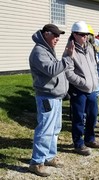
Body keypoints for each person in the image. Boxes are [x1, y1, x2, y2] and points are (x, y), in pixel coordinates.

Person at [28, 24, 74, 177]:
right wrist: (67, 58)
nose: (57, 39)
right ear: (46, 34)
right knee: (45, 130)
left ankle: (49, 157)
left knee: (54, 130)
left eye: (59, 36)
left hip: (55, 97)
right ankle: (36, 162)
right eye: (54, 35)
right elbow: (52, 70)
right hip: (47, 97)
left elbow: (55, 69)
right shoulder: (39, 51)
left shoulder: (47, 49)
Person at [64, 21, 99, 156]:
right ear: (74, 34)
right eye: (82, 34)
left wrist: (95, 80)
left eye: (86, 34)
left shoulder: (90, 48)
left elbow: (94, 65)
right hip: (78, 90)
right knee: (78, 118)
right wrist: (83, 82)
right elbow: (68, 72)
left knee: (93, 115)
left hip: (91, 90)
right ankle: (78, 143)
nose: (85, 37)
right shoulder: (69, 50)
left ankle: (90, 139)